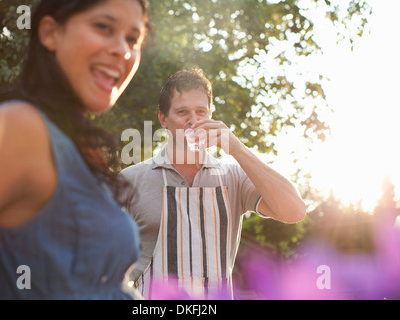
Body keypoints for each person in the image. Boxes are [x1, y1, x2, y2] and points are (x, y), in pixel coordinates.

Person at [0, 0, 149, 300]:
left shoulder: (80, 148)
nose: (123, 50)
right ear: (50, 33)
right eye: (103, 27)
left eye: (132, 39)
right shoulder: (19, 128)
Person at [120, 68, 307, 299]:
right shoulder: (129, 180)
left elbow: (294, 211)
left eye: (201, 112)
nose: (193, 121)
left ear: (211, 115)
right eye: (182, 112)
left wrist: (236, 148)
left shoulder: (234, 177)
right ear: (163, 120)